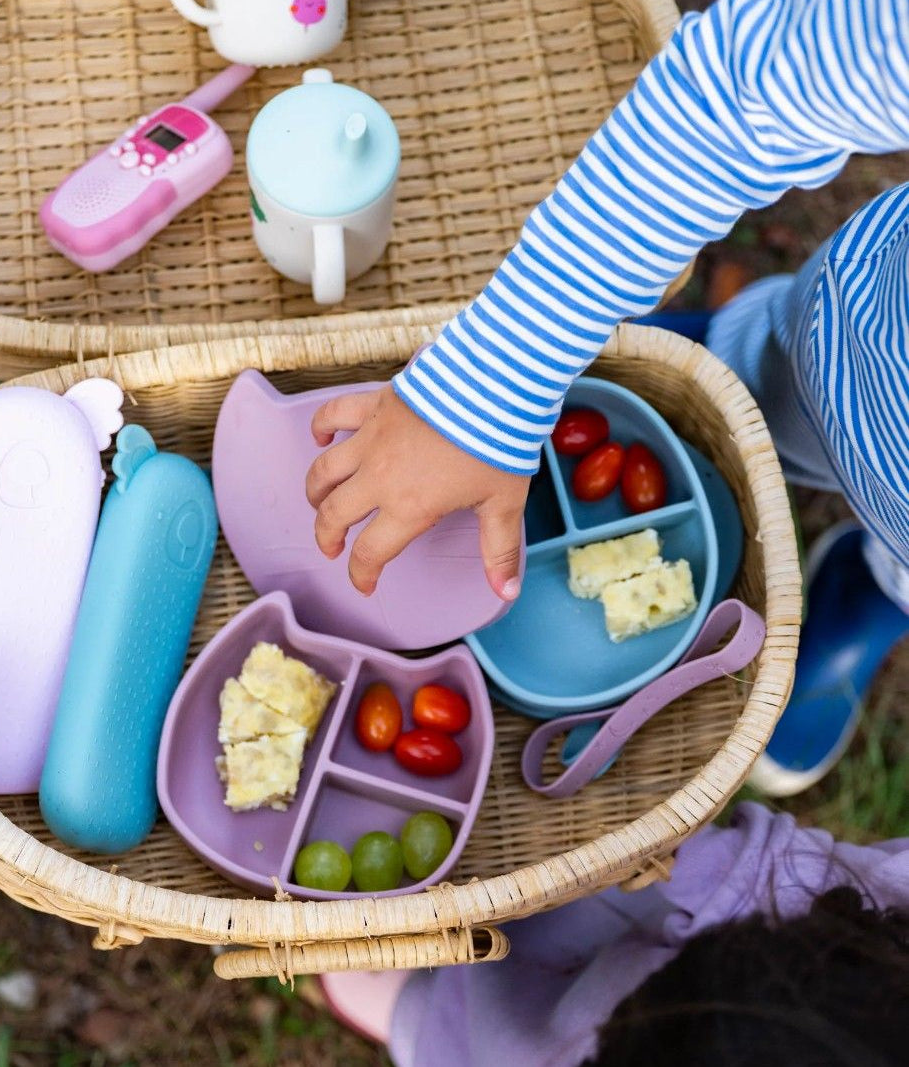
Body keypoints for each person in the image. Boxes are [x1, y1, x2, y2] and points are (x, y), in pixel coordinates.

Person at [304, 0, 909, 794]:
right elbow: (743, 91)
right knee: (752, 379)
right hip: (849, 346)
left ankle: (874, 590)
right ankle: (711, 361)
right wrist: (491, 377)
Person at [319, 803, 909, 1066]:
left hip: (502, 1042)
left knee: (452, 1032)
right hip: (626, 910)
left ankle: (418, 1011)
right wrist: (686, 848)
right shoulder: (870, 925)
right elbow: (781, 875)